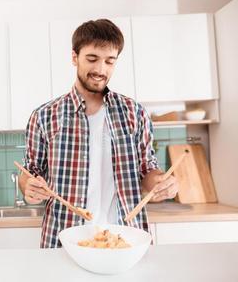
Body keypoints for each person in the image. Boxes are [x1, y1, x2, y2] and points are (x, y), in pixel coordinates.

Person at [19, 19, 179, 248]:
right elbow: (29, 172)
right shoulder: (44, 116)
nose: (101, 70)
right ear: (75, 57)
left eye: (109, 61)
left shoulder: (134, 113)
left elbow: (148, 171)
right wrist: (28, 186)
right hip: (64, 239)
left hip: (124, 240)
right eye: (92, 59)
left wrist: (161, 183)